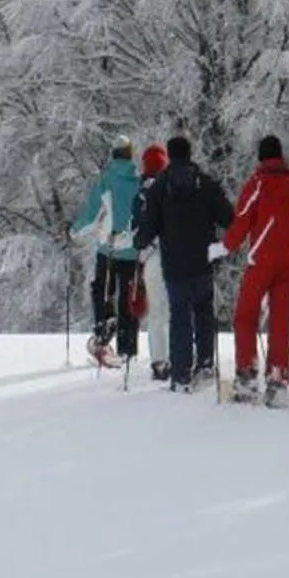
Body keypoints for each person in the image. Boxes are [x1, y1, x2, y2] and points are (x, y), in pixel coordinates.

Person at [132, 132, 234, 391]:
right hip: (203, 262)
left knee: (179, 317)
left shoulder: (159, 187)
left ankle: (180, 374)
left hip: (174, 265)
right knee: (203, 312)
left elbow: (147, 229)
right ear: (189, 154)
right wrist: (223, 245)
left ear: (170, 155)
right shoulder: (206, 183)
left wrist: (139, 241)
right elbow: (229, 218)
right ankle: (206, 363)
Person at [223, 133, 289, 403]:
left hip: (260, 258)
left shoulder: (257, 184)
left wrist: (224, 247)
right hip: (287, 261)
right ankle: (278, 377)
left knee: (245, 315)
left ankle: (247, 374)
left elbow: (241, 220)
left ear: (261, 158)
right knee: (280, 318)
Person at [70, 138, 142, 369]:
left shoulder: (106, 180)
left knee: (102, 290)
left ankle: (104, 331)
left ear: (114, 155)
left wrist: (73, 231)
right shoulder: (138, 181)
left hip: (108, 248)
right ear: (130, 156)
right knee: (129, 298)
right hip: (132, 250)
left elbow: (91, 213)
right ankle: (128, 347)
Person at [134, 143, 173, 381]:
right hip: (175, 255)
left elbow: (135, 229)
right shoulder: (172, 188)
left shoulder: (140, 195)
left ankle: (159, 362)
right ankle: (179, 357)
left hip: (151, 258)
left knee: (157, 311)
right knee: (177, 309)